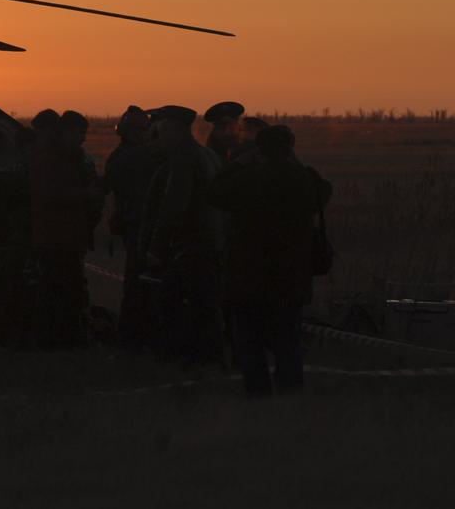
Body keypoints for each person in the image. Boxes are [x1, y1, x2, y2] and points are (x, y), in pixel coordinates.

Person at [208, 125, 331, 396]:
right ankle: (290, 392)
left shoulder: (247, 179)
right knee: (288, 340)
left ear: (259, 150)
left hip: (248, 276)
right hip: (291, 277)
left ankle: (258, 395)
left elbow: (215, 192)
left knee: (249, 342)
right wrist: (295, 163)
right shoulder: (304, 179)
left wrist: (238, 164)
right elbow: (323, 194)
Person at [141, 105, 226, 369]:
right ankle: (207, 358)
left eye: (161, 132)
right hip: (210, 242)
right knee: (204, 304)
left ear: (175, 131)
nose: (157, 138)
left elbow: (174, 205)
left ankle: (192, 359)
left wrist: (156, 246)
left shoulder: (183, 159)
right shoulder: (208, 154)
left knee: (181, 305)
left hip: (191, 244)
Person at [29, 110, 103, 350]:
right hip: (56, 238)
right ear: (67, 132)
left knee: (66, 290)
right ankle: (54, 341)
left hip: (65, 237)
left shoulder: (69, 158)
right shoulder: (51, 159)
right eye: (80, 133)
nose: (82, 138)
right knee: (56, 290)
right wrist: (85, 195)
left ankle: (64, 338)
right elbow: (49, 195)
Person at [104, 106, 158, 349]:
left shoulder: (119, 156)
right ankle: (136, 338)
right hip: (140, 227)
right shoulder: (140, 158)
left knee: (136, 285)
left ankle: (133, 337)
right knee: (140, 286)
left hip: (132, 226)